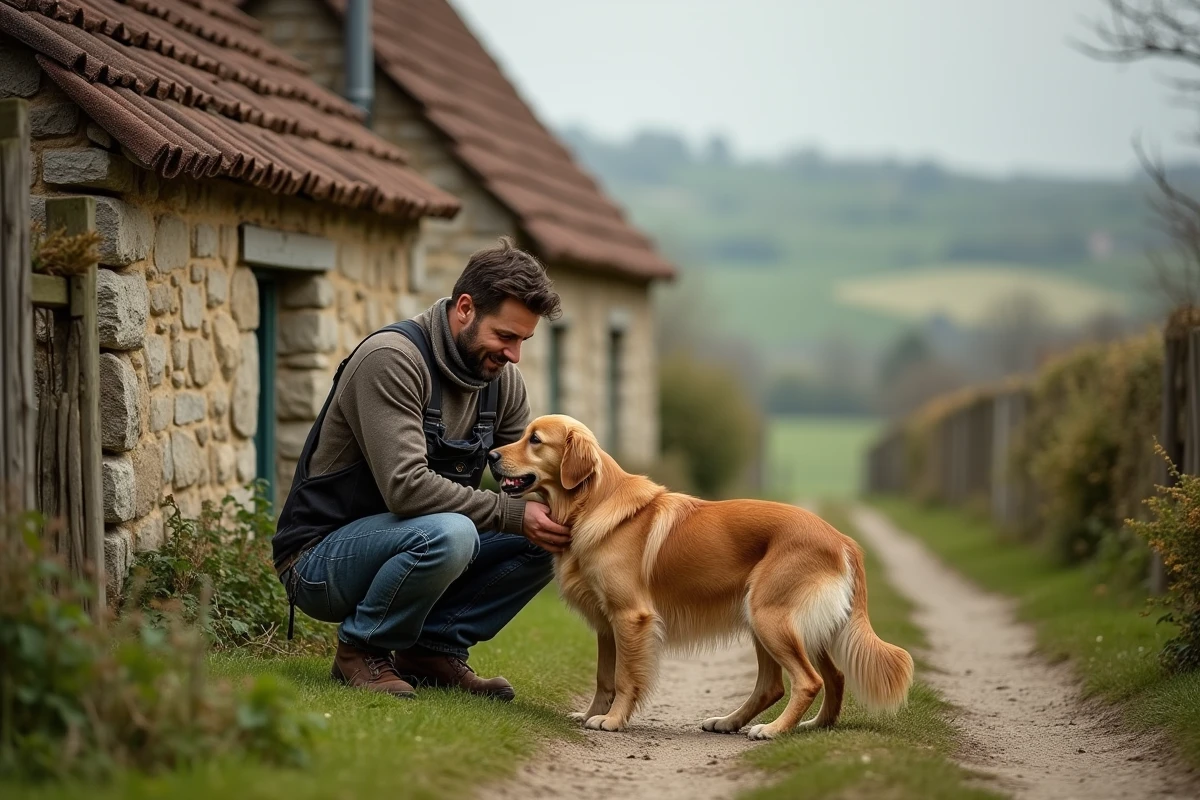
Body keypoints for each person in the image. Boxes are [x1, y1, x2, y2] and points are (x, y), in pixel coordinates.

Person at [272, 237, 571, 700]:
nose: (514, 355)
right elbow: (406, 489)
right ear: (466, 308)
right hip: (320, 559)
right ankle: (361, 649)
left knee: (550, 534)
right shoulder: (392, 359)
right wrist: (513, 515)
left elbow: (524, 484)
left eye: (523, 341)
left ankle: (431, 650)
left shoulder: (502, 381)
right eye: (506, 336)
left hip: (417, 539)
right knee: (452, 533)